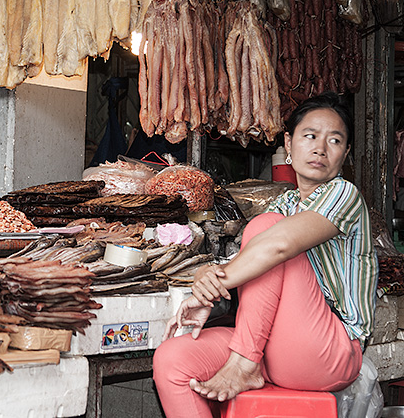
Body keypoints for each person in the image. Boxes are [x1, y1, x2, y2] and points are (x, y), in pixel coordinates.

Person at [153, 92, 378, 417]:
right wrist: (206, 282)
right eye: (310, 136)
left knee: (266, 229)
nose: (320, 148)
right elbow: (252, 264)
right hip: (272, 344)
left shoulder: (344, 194)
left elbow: (278, 244)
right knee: (171, 360)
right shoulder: (283, 205)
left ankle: (243, 363)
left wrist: (219, 284)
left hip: (329, 351)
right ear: (289, 143)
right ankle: (246, 361)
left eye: (335, 140)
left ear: (345, 153)